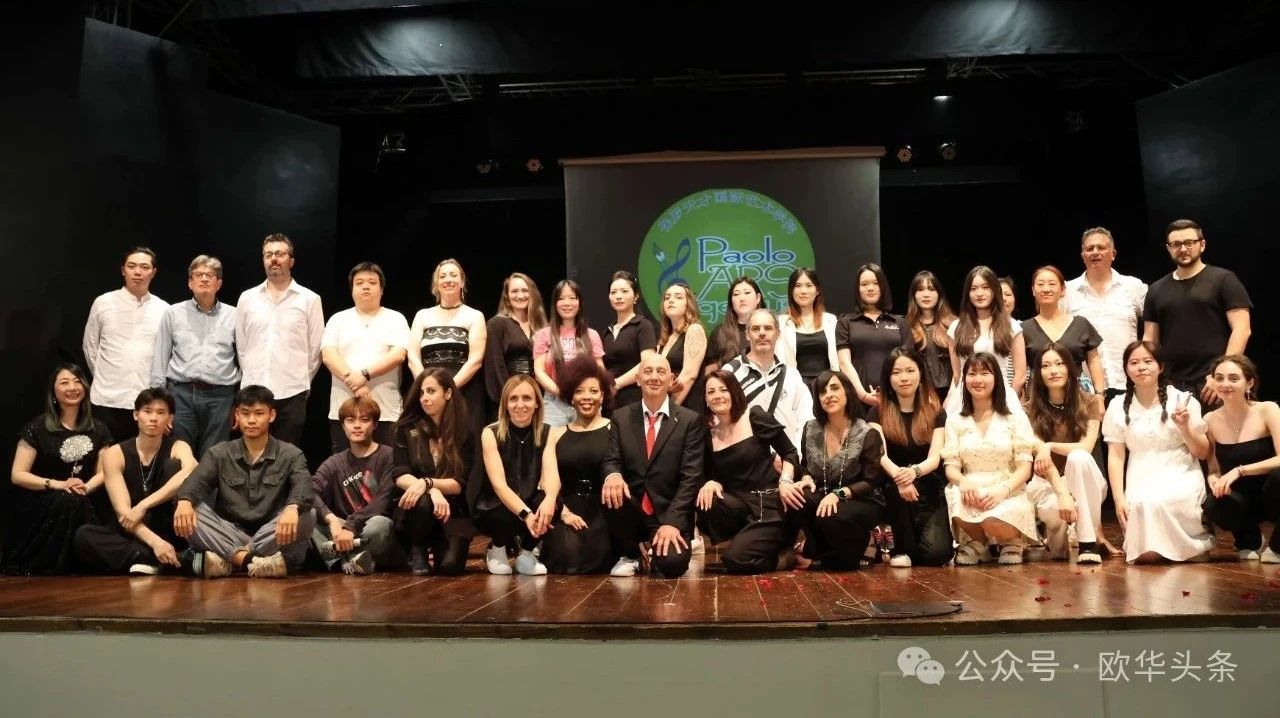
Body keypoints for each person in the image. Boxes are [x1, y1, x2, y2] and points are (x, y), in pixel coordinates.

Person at [173, 385, 316, 578]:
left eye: (259, 413)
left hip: (271, 533)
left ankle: (232, 561)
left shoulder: (290, 453)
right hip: (229, 531)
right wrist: (184, 501)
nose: (251, 420)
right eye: (245, 413)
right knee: (188, 509)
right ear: (236, 416)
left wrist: (292, 508)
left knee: (307, 514)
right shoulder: (220, 453)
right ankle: (251, 562)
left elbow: (304, 485)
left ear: (272, 415)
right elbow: (195, 483)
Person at [1103, 341, 1214, 563]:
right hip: (1140, 472)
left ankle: (1193, 546)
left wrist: (1185, 427)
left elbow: (1202, 452)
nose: (1141, 367)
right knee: (1146, 551)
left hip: (1180, 471)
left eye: (1148, 361)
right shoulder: (1117, 405)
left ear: (1160, 366)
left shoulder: (1183, 399)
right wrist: (1118, 499)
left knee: (1160, 501)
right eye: (1134, 362)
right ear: (1126, 369)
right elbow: (1116, 456)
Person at [600, 353, 707, 578]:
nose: (654, 377)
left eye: (661, 371)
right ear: (637, 379)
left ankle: (656, 549)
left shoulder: (689, 420)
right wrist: (613, 475)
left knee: (671, 565)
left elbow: (691, 477)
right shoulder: (621, 417)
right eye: (648, 371)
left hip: (669, 513)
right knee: (611, 487)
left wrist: (673, 523)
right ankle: (631, 552)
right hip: (633, 512)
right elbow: (611, 460)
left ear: (671, 379)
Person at [73, 388, 197, 574]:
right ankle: (164, 560)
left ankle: (149, 559)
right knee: (84, 536)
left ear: (170, 419)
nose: (153, 418)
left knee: (173, 466)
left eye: (161, 412)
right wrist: (156, 543)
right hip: (134, 529)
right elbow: (124, 512)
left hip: (168, 526)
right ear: (136, 415)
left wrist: (144, 505)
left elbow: (191, 469)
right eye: (147, 411)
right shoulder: (115, 453)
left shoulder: (178, 446)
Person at [4, 364, 112, 574]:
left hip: (83, 496)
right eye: (64, 382)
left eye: (77, 381)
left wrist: (86, 487)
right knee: (68, 500)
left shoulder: (99, 429)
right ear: (53, 392)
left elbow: (104, 471)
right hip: (42, 499)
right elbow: (17, 475)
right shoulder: (36, 428)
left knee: (76, 500)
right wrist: (58, 484)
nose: (72, 387)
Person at [780, 370, 886, 570]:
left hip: (862, 498)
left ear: (847, 392)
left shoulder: (867, 433)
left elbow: (872, 481)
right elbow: (805, 466)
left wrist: (838, 495)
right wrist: (806, 478)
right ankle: (818, 549)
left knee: (830, 515)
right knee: (797, 499)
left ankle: (843, 555)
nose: (828, 395)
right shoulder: (810, 429)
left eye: (835, 388)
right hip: (825, 493)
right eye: (822, 391)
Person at [697, 371, 801, 574]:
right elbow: (713, 474)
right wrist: (712, 482)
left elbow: (790, 452)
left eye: (723, 389)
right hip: (740, 507)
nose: (717, 395)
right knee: (707, 498)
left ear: (734, 392)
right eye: (711, 392)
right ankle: (747, 540)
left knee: (735, 560)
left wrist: (785, 481)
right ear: (706, 400)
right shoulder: (709, 435)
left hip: (768, 504)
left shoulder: (754, 416)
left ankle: (785, 558)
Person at [943, 353, 1039, 565]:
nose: (978, 379)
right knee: (955, 494)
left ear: (996, 378)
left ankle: (1012, 540)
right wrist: (963, 481)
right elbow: (951, 467)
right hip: (971, 486)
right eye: (972, 374)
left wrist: (1003, 491)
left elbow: (1025, 469)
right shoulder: (955, 421)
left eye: (985, 373)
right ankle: (979, 542)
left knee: (992, 519)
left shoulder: (1014, 418)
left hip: (1007, 485)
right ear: (964, 379)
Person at [1143, 219, 1252, 404]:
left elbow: (1242, 330)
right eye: (1176, 244)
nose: (1183, 249)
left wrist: (1221, 375)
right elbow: (1149, 340)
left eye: (1189, 243)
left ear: (1202, 245)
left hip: (1213, 383)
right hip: (1171, 384)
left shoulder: (1224, 279)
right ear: (1169, 248)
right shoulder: (1156, 289)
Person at [235, 234, 324, 447]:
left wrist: (302, 380)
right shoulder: (247, 298)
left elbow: (315, 348)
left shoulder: (310, 299)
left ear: (291, 261)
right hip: (254, 390)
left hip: (292, 392)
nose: (274, 259)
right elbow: (242, 346)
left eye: (280, 254)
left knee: (286, 455)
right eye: (268, 255)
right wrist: (251, 378)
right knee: (252, 453)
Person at [1022, 343, 1108, 563]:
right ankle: (1059, 538)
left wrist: (1049, 446)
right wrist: (1062, 494)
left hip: (1084, 480)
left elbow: (1086, 447)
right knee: (1058, 551)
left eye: (1059, 364)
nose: (1053, 370)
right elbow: (1039, 455)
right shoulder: (1029, 409)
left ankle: (1088, 544)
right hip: (1048, 482)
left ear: (1070, 368)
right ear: (1038, 373)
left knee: (1078, 457)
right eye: (1046, 366)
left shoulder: (1089, 402)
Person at [149, 255, 240, 458]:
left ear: (219, 283)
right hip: (180, 394)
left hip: (221, 396)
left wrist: (241, 401)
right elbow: (160, 358)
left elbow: (244, 358)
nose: (204, 279)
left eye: (210, 275)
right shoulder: (173, 313)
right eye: (198, 275)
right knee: (179, 454)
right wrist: (159, 402)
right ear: (190, 283)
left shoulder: (234, 315)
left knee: (214, 457)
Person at [870, 348, 953, 568]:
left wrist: (913, 472)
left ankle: (910, 546)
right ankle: (902, 548)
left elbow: (935, 457)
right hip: (894, 487)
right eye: (896, 372)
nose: (904, 378)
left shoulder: (936, 412)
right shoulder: (876, 412)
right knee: (894, 493)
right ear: (888, 378)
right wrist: (901, 477)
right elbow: (879, 454)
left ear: (920, 373)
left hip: (929, 486)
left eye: (910, 370)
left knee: (938, 555)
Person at [391, 367, 477, 576]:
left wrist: (428, 483)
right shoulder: (406, 428)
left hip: (452, 509)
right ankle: (418, 547)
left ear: (447, 393)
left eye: (431, 391)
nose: (424, 398)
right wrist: (431, 489)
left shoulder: (464, 431)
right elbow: (400, 474)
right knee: (422, 501)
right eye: (421, 392)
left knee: (450, 567)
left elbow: (459, 484)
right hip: (417, 508)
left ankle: (437, 543)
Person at [539, 357, 618, 574]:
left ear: (603, 396)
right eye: (579, 391)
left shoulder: (615, 429)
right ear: (571, 397)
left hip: (605, 510)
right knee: (567, 558)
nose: (586, 397)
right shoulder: (555, 434)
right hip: (567, 509)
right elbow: (549, 482)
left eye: (593, 391)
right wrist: (564, 514)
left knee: (600, 559)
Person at [321, 262, 410, 453]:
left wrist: (364, 374)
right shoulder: (338, 319)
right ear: (352, 289)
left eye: (372, 282)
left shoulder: (395, 318)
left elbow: (398, 355)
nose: (366, 286)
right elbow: (328, 355)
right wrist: (356, 384)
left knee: (388, 465)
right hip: (344, 410)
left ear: (381, 289)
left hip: (385, 410)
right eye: (359, 283)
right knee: (344, 466)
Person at [83, 247, 169, 443]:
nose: (137, 272)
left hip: (146, 400)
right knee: (105, 455)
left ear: (153, 272)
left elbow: (166, 353)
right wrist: (105, 375)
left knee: (142, 456)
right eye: (132, 266)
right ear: (123, 270)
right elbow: (90, 346)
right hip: (107, 398)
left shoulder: (164, 309)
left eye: (144, 267)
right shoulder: (103, 302)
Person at [310, 395, 401, 575]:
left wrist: (351, 526)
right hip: (344, 531)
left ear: (375, 424)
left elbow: (383, 502)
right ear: (343, 426)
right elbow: (309, 490)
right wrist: (331, 519)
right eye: (351, 420)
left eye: (364, 420)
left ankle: (343, 559)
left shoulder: (389, 456)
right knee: (307, 518)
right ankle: (349, 562)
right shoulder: (335, 462)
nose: (357, 425)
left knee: (379, 525)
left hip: (371, 529)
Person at [1202, 355, 1280, 563]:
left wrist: (1240, 470)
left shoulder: (1268, 409)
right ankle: (1249, 539)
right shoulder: (1209, 420)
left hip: (1271, 493)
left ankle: (1277, 546)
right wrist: (1214, 481)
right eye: (1219, 378)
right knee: (1213, 504)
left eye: (1233, 378)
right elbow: (1213, 470)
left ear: (1249, 383)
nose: (1225, 384)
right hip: (1241, 498)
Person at [475, 374, 555, 575]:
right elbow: (499, 486)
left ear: (537, 403)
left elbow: (552, 476)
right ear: (505, 404)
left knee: (553, 503)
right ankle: (497, 548)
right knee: (504, 512)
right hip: (496, 505)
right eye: (513, 399)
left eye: (527, 398)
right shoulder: (490, 433)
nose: (520, 405)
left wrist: (550, 499)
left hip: (528, 499)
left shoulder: (548, 432)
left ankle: (526, 553)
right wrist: (526, 514)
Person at [1063, 227, 1148, 405]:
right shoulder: (1067, 291)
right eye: (1089, 248)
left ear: (1113, 254)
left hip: (1129, 381)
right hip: (1084, 388)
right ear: (1083, 255)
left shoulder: (1133, 286)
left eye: (1101, 247)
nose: (1095, 252)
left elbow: (1155, 324)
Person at [408, 258, 487, 435]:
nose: (448, 279)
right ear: (436, 283)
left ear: (462, 282)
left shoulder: (475, 316)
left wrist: (448, 389)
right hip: (427, 395)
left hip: (464, 392)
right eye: (442, 276)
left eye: (453, 275)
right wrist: (428, 389)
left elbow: (475, 360)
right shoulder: (422, 315)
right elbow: (412, 357)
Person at [722, 308, 814, 449]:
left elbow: (806, 419)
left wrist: (792, 454)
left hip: (789, 458)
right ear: (747, 335)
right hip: (747, 458)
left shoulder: (791, 375)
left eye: (768, 328)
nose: (762, 333)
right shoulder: (730, 373)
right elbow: (722, 421)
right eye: (755, 329)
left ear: (778, 334)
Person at [947, 265, 1026, 414]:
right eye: (973, 289)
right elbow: (957, 375)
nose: (979, 293)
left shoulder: (1011, 326)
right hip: (964, 398)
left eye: (985, 287)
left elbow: (1020, 375)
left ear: (995, 290)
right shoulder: (956, 327)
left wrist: (1005, 399)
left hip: (1003, 397)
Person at [1022, 265, 1107, 396]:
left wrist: (1100, 395)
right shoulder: (1023, 328)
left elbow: (1094, 362)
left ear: (1062, 290)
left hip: (1079, 395)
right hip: (1038, 397)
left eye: (1052, 284)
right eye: (1040, 284)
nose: (1046, 289)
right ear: (1033, 290)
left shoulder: (1081, 324)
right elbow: (1020, 371)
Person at [836, 263, 912, 408]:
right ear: (858, 289)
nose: (870, 288)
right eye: (864, 284)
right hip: (858, 400)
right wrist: (862, 395)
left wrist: (894, 391)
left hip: (897, 398)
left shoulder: (900, 322)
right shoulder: (845, 322)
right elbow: (844, 363)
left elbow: (908, 363)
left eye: (875, 283)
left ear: (883, 287)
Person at [533, 279, 606, 426]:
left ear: (580, 303)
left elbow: (600, 371)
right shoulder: (544, 334)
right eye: (562, 298)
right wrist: (561, 392)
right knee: (553, 440)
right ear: (555, 303)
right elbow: (539, 372)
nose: (567, 303)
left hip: (586, 401)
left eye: (572, 298)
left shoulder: (591, 335)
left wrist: (588, 395)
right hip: (554, 403)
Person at [483, 272, 547, 416]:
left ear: (532, 294)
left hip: (536, 400)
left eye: (525, 290)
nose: (520, 295)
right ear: (507, 296)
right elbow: (495, 366)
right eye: (514, 291)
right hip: (509, 401)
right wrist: (509, 399)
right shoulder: (497, 324)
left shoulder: (541, 326)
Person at [601, 270, 657, 411]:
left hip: (634, 399)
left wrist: (616, 384)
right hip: (609, 401)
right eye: (613, 292)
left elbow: (647, 362)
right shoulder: (607, 331)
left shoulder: (643, 325)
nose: (618, 296)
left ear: (636, 296)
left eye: (624, 291)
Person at [777, 268, 839, 391]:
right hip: (796, 389)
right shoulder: (782, 323)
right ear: (791, 291)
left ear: (817, 290)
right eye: (798, 286)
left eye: (809, 285)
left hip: (827, 388)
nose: (803, 291)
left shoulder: (831, 321)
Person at [905, 270, 956, 404]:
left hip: (952, 393)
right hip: (918, 395)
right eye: (920, 289)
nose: (926, 294)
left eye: (931, 289)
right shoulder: (905, 326)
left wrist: (953, 395)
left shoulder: (954, 324)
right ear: (914, 295)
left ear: (939, 294)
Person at [657, 281, 708, 413]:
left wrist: (668, 410)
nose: (671, 300)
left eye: (678, 297)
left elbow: (689, 376)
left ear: (688, 304)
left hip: (686, 409)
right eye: (667, 297)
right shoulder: (665, 337)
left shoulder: (694, 330)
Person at [704, 276, 763, 375]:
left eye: (747, 293)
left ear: (758, 298)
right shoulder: (720, 332)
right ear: (731, 302)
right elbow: (709, 370)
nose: (742, 298)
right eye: (736, 294)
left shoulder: (771, 329)